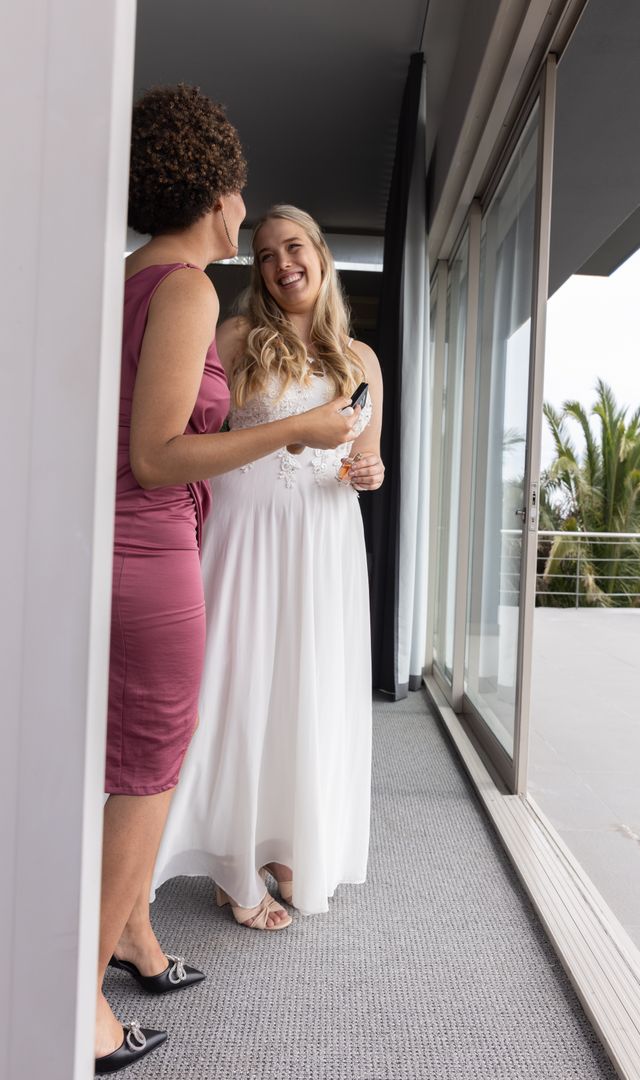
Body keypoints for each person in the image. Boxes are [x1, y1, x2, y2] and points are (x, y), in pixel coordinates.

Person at [97, 97, 357, 1075]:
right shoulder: (190, 290)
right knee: (148, 772)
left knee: (141, 761)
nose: (246, 210)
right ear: (213, 193)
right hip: (152, 547)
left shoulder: (132, 278)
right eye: (240, 191)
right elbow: (161, 455)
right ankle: (79, 1004)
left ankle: (134, 940)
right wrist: (296, 429)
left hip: (137, 545)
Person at [153, 204, 384, 930]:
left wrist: (368, 471)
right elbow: (191, 433)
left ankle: (283, 840)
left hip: (323, 537)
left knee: (303, 686)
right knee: (239, 680)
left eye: (293, 247)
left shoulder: (360, 357)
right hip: (247, 528)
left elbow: (360, 457)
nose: (281, 262)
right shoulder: (234, 335)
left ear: (320, 252)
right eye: (263, 254)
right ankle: (230, 859)